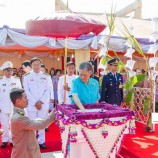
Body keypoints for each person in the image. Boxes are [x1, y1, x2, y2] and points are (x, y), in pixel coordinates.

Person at [10, 88, 55, 158]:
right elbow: (42, 125)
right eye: (25, 98)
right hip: (24, 154)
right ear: (18, 101)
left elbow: (31, 122)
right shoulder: (18, 117)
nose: (27, 100)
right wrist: (56, 111)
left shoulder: (19, 113)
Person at [23, 57, 50, 149]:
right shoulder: (26, 76)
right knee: (32, 124)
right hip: (31, 104)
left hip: (42, 104)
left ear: (40, 64)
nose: (36, 66)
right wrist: (35, 102)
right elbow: (26, 91)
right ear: (31, 65)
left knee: (42, 123)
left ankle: (41, 141)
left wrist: (40, 101)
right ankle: (32, 142)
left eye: (38, 64)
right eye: (34, 64)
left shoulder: (46, 76)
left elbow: (47, 90)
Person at [0, 61, 22, 148]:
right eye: (7, 70)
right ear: (3, 71)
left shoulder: (16, 80)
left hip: (14, 107)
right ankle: (5, 139)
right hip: (3, 106)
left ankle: (13, 139)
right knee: (5, 124)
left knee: (13, 124)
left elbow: (20, 92)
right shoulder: (0, 81)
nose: (9, 72)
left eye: (10, 70)